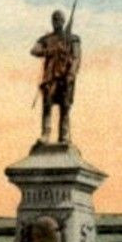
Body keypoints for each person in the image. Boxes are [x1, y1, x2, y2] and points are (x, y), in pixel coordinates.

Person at [31, 9, 81, 145]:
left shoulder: (73, 38)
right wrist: (50, 51)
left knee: (65, 106)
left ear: (64, 21)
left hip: (65, 77)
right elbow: (34, 50)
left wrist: (71, 73)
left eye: (59, 19)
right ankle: (45, 133)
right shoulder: (46, 39)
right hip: (50, 77)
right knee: (47, 104)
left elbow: (76, 58)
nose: (56, 21)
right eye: (54, 19)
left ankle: (64, 135)